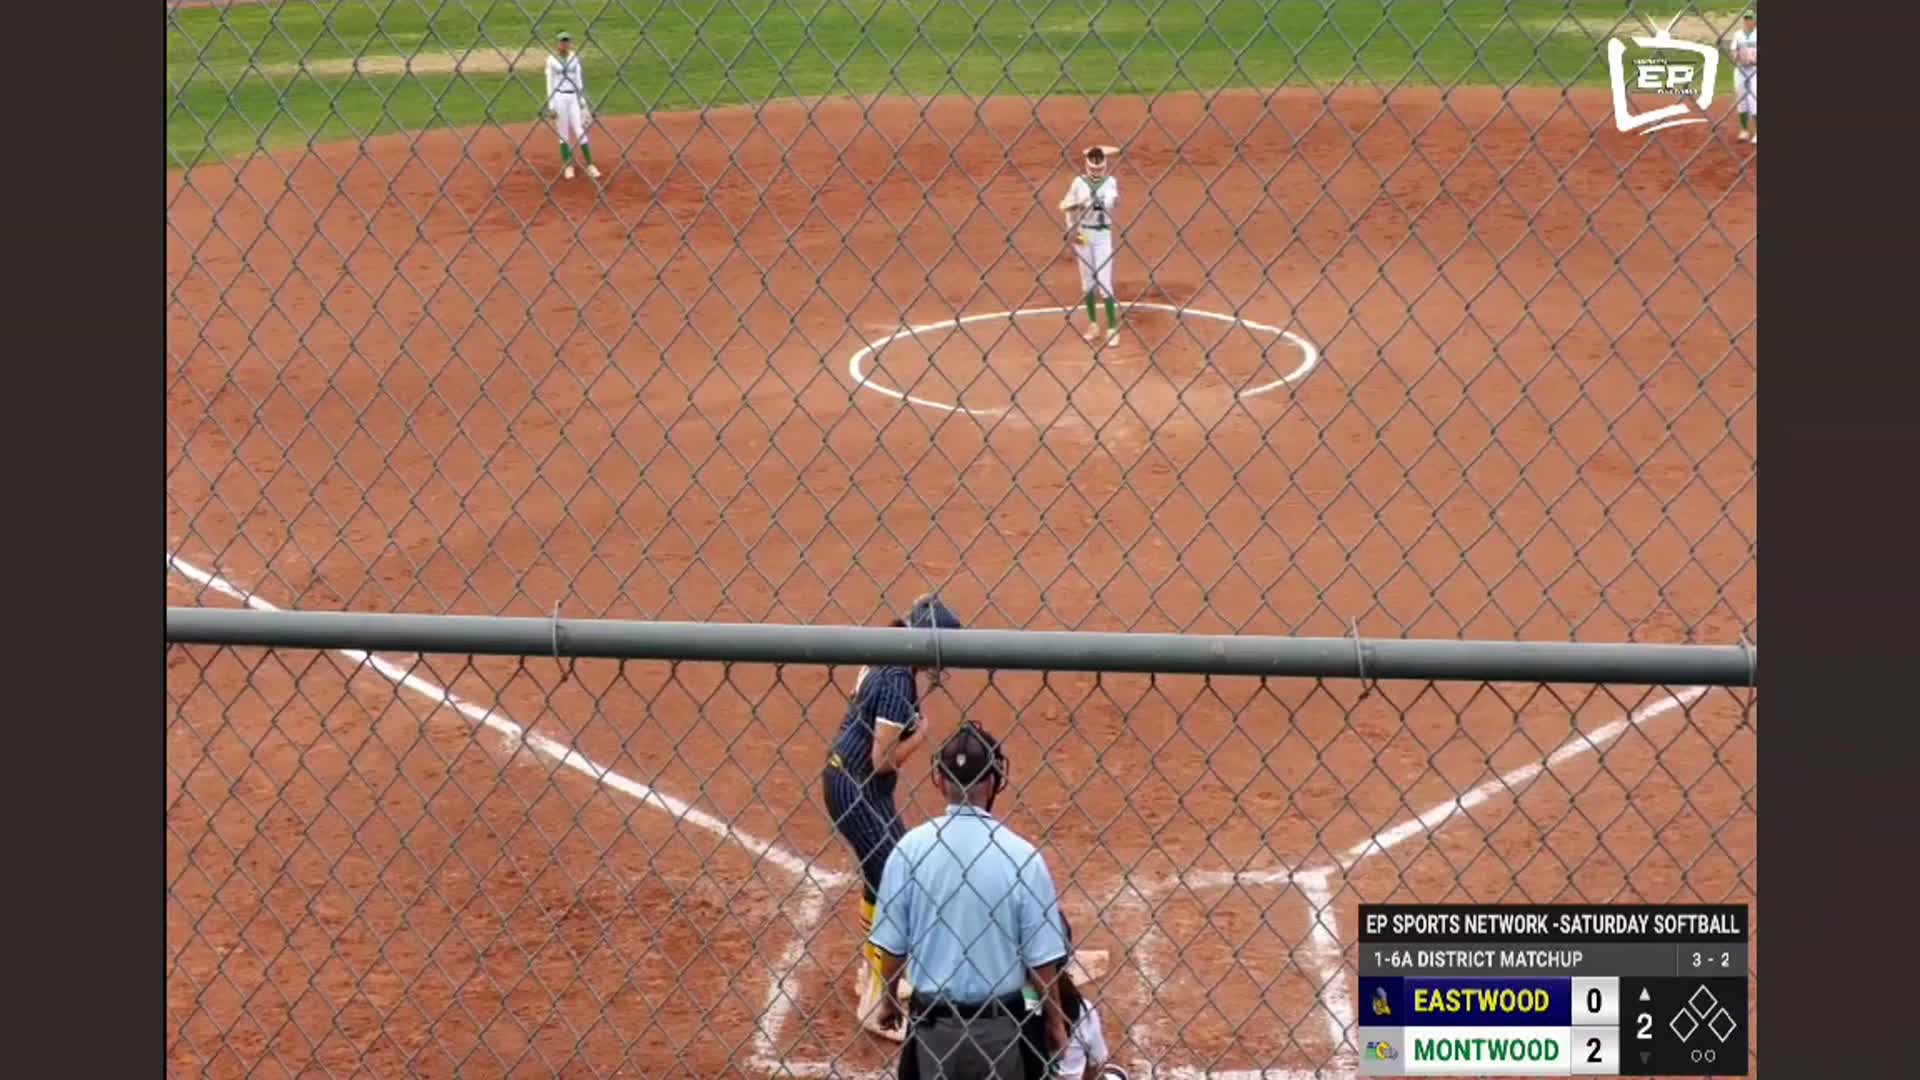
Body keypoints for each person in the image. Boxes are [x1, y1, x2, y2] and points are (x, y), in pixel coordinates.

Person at [869, 723, 1072, 1080]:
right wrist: (1055, 1023)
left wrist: (887, 998)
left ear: (940, 781)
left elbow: (893, 950)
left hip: (933, 1030)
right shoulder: (1022, 857)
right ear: (994, 782)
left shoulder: (909, 851)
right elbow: (1041, 961)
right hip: (1001, 1032)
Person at [823, 594, 965, 1040]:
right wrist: (921, 735)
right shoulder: (896, 682)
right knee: (893, 880)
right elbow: (882, 758)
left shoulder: (888, 655)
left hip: (859, 785)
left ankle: (872, 972)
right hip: (856, 788)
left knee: (885, 870)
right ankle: (876, 996)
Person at [1057, 145, 1123, 347]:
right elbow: (1067, 207)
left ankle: (1112, 328)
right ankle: (1093, 325)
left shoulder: (1110, 182)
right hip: (1084, 235)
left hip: (1102, 235)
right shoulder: (1079, 183)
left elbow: (1111, 201)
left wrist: (1094, 200)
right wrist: (1072, 230)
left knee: (1104, 282)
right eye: (1092, 168)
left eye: (1098, 168)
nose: (1095, 171)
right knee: (1087, 283)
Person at [544, 32, 600, 180]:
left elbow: (579, 80)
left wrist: (582, 102)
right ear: (558, 44)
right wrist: (551, 105)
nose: (565, 44)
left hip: (573, 97)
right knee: (563, 133)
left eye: (567, 41)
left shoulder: (574, 58)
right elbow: (549, 83)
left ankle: (590, 165)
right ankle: (568, 165)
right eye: (562, 42)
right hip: (559, 97)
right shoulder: (551, 59)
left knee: (579, 130)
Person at [1729, 11, 1756, 145]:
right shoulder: (1737, 35)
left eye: (1750, 18)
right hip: (1740, 70)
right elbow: (1733, 51)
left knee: (1754, 99)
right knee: (1741, 99)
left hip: (1755, 71)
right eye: (1746, 18)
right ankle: (1744, 130)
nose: (1747, 21)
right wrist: (1736, 56)